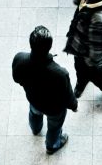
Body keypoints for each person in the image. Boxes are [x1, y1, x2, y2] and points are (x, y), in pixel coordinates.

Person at [12, 26, 78, 155]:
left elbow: (16, 78)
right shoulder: (59, 73)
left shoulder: (20, 59)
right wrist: (74, 105)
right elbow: (67, 96)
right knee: (54, 127)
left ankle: (35, 129)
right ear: (50, 46)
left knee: (34, 113)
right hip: (54, 109)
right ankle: (52, 145)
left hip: (33, 99)